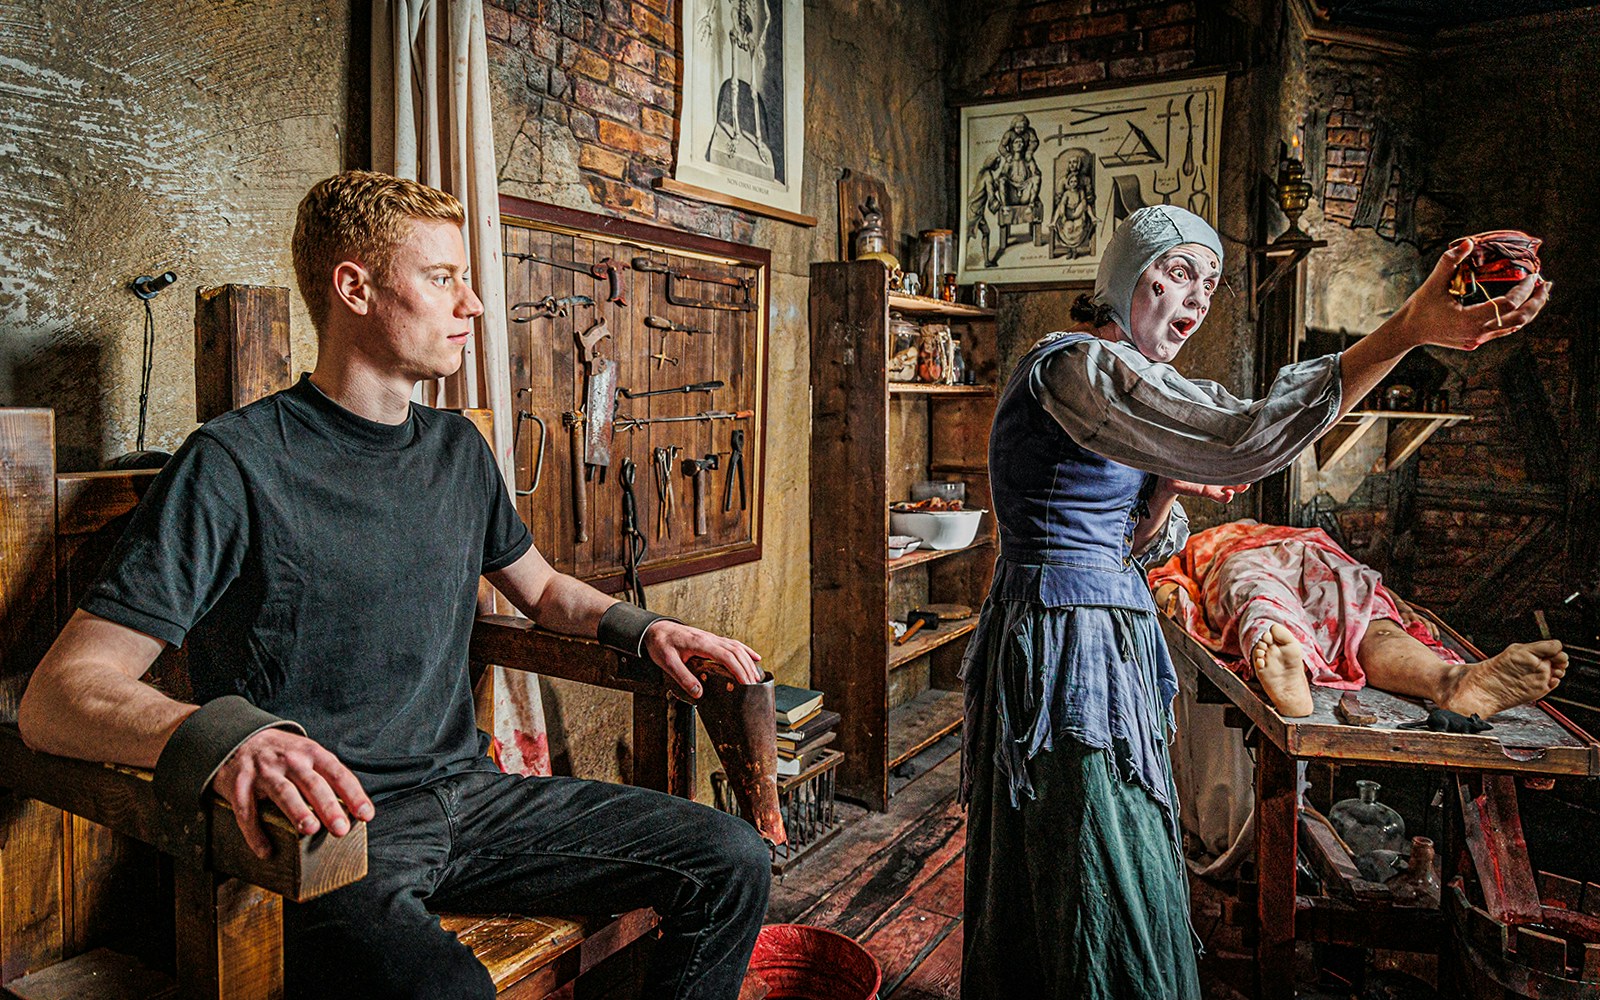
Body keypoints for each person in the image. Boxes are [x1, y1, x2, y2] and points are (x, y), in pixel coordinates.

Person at [16, 170, 772, 1000]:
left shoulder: (457, 450)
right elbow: (60, 695)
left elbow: (545, 591)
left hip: (471, 800)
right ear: (356, 288)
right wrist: (227, 737)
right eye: (443, 278)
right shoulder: (234, 464)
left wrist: (643, 628)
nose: (473, 305)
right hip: (328, 837)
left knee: (729, 861)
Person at [960, 204, 1550, 999]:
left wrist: (1167, 481)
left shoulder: (1141, 389)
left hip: (1106, 632)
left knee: (1088, 853)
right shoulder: (1077, 368)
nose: (1196, 296)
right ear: (1122, 279)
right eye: (1175, 273)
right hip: (1065, 641)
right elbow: (1246, 437)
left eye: (1208, 281)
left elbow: (1140, 542)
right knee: (1096, 852)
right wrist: (1406, 328)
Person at [1148, 519, 1567, 719]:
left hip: (1288, 559)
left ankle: (1453, 681)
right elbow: (1167, 586)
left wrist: (1395, 601)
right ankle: (1443, 678)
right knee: (1350, 613)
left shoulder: (1226, 540)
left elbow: (1167, 587)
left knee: (1354, 613)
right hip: (1275, 561)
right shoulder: (1201, 546)